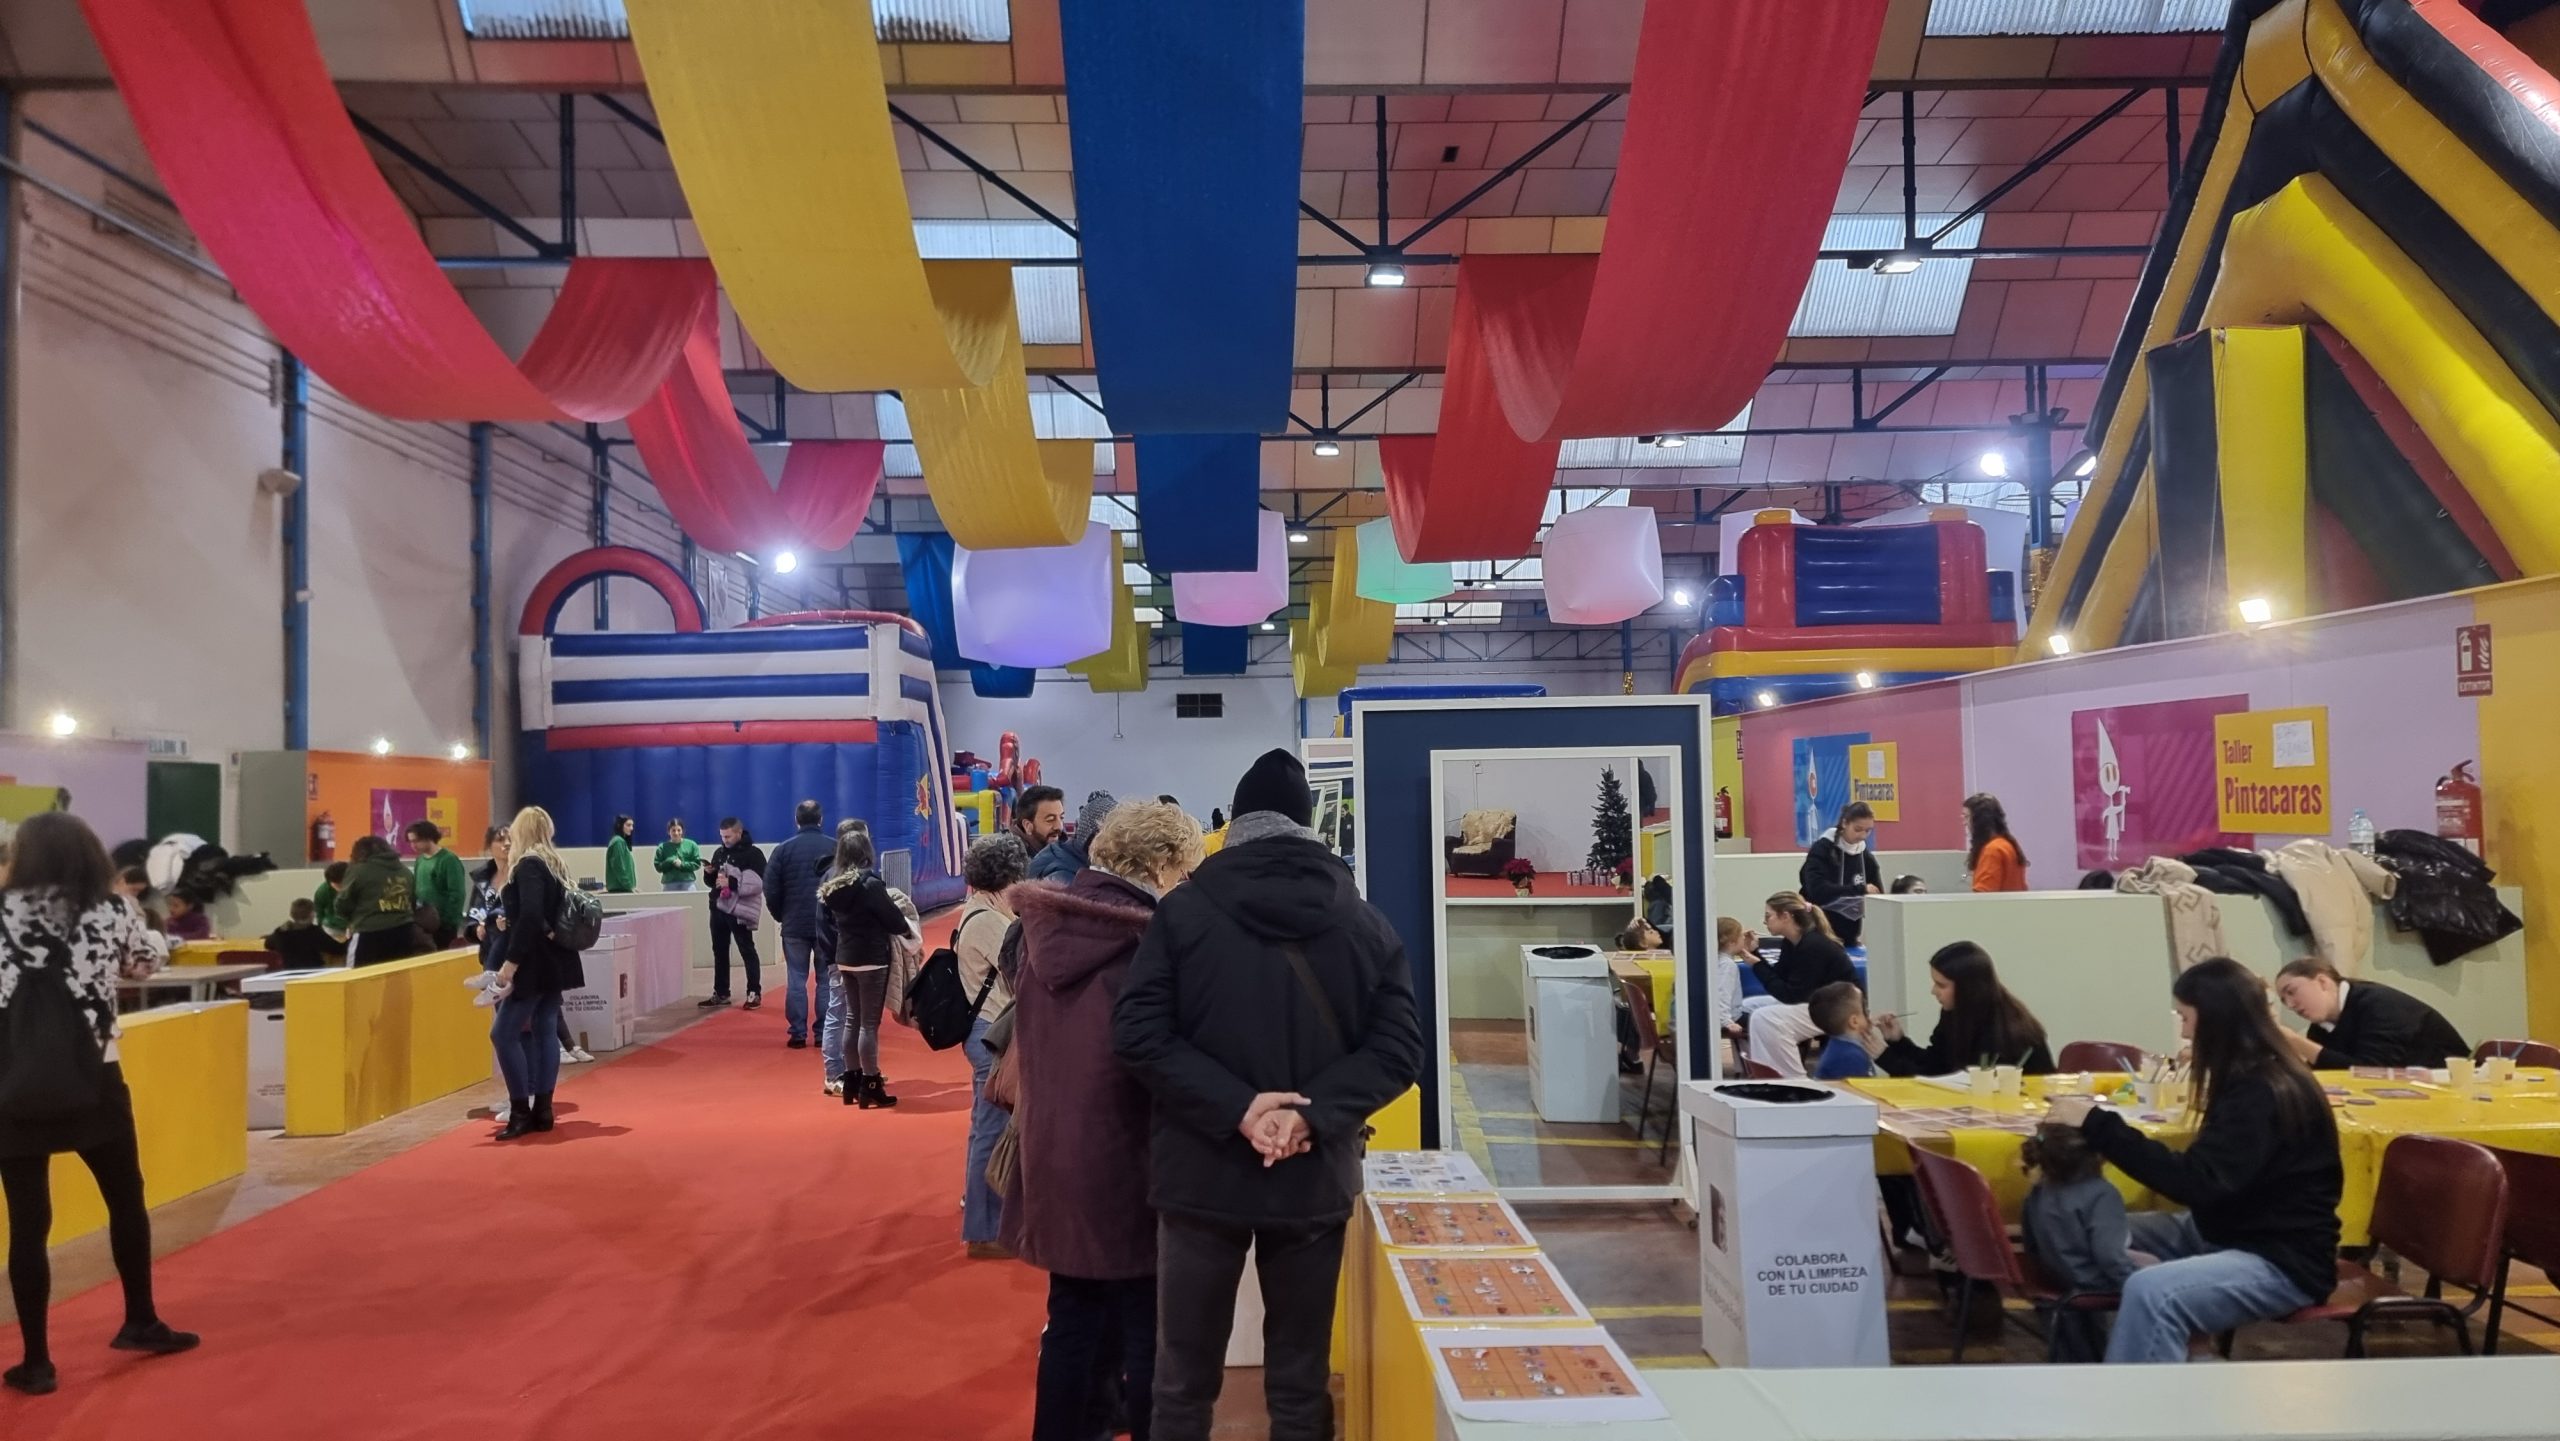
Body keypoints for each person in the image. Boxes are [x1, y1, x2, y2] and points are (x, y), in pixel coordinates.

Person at [1115, 752, 1422, 1441]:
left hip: (1199, 1172)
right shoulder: (1366, 924)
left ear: (1236, 822)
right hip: (1312, 1178)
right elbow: (1399, 1051)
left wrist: (1239, 1107)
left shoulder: (1182, 914)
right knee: (1300, 1383)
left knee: (1182, 1384)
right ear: (1309, 825)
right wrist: (1307, 1115)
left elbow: (1137, 1033)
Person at [1008, 800, 1203, 1441]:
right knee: (1148, 1325)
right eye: (1182, 870)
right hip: (1127, 1149)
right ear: (1159, 863)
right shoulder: (1148, 940)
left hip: (1052, 1145)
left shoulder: (1046, 927)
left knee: (1073, 1316)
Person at [2048, 957, 2343, 1363]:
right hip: (2222, 1230)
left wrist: (2097, 1124)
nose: (2184, 1033)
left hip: (2281, 1259)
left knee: (2152, 1293)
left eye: (2186, 1019)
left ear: (2216, 1020)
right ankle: (2168, 1357)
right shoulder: (2247, 1076)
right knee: (2077, 1226)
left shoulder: (2264, 1090)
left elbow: (2197, 1182)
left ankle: (2145, 1391)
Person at [0, 811, 198, 1395]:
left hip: (10, 1081)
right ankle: (140, 1319)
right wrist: (150, 936)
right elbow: (144, 964)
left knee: (28, 1223)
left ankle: (37, 1361)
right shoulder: (112, 908)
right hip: (96, 1075)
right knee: (125, 1199)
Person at [489, 807, 586, 1141]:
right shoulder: (555, 865)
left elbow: (530, 915)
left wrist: (511, 963)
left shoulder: (529, 864)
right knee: (545, 1031)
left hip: (533, 962)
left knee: (504, 1034)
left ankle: (520, 1111)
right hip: (556, 959)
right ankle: (542, 1110)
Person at [955, 833, 1027, 1257]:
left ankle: (983, 1214)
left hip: (985, 1032)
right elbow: (1022, 969)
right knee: (991, 1130)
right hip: (990, 1035)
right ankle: (984, 1230)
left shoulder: (981, 910)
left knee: (984, 1128)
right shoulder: (988, 921)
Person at [2019, 1121, 2142, 1361]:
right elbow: (2110, 1257)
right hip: (2093, 1282)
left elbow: (2030, 1243)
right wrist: (2140, 1284)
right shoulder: (2102, 1194)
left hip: (2058, 1278)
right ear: (2100, 1155)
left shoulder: (2039, 1190)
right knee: (2162, 1271)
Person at [817, 821, 916, 1109]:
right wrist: (907, 928)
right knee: (869, 1025)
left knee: (852, 1019)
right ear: (866, 851)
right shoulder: (870, 884)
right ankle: (871, 1083)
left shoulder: (833, 886)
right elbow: (893, 920)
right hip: (871, 958)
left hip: (845, 958)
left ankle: (851, 1079)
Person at [1872, 941, 2056, 1076]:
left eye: (1941, 985)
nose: (1933, 991)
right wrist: (1898, 1041)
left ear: (1967, 988)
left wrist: (1885, 1057)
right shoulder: (1954, 1013)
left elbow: (1947, 1082)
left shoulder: (2004, 1031)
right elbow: (1935, 1064)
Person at [2272, 957, 2469, 1070]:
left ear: (2323, 982)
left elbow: (2373, 1072)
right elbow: (2328, 1072)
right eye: (2284, 1000)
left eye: (2292, 992)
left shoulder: (2380, 1004)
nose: (2290, 1005)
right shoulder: (2321, 1027)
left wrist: (2294, 1040)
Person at [1741, 893, 1857, 1078]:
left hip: (1840, 1009)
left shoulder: (1813, 946)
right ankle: (1764, 1072)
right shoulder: (1792, 942)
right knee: (1746, 1007)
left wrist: (1757, 966)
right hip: (1817, 1002)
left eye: (1768, 916)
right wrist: (1756, 954)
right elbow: (1780, 978)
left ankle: (1793, 1078)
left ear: (1786, 916)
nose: (1764, 922)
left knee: (1765, 1018)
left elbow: (1791, 995)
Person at [765, 800, 834, 1051]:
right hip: (827, 924)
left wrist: (781, 915)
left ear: (797, 820)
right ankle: (823, 1032)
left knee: (796, 978)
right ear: (820, 819)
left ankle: (797, 1032)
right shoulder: (835, 847)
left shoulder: (783, 850)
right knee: (826, 980)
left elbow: (770, 888)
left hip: (794, 924)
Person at [698, 819, 765, 1009]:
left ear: (739, 833)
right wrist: (709, 873)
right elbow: (712, 883)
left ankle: (754, 992)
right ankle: (721, 992)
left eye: (728, 836)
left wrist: (732, 883)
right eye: (722, 836)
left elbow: (758, 882)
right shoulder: (719, 853)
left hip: (739, 908)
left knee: (746, 949)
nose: (724, 840)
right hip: (718, 907)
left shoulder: (754, 854)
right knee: (719, 950)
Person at [339, 835, 425, 967]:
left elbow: (343, 903)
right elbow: (412, 901)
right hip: (404, 931)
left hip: (369, 932)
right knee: (398, 973)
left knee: (360, 975)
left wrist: (350, 920)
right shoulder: (405, 871)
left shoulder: (358, 870)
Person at [1799, 801, 1883, 904]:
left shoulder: (1866, 857)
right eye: (1857, 829)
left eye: (1868, 830)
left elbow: (1878, 894)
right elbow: (1817, 890)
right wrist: (1861, 890)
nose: (1863, 836)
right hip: (1820, 911)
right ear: (1844, 823)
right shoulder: (1822, 849)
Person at [1028, 790, 1118, 885]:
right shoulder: (1065, 878)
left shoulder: (1073, 859)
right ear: (1094, 838)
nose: (1121, 845)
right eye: (1115, 837)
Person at [406, 820, 467, 949]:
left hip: (444, 923)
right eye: (410, 842)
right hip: (424, 922)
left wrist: (448, 920)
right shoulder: (420, 860)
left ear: (428, 837)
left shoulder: (448, 860)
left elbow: (457, 893)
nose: (413, 845)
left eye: (416, 841)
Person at [1807, 981, 1876, 1080]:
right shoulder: (1850, 1058)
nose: (1869, 1011)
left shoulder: (1840, 1047)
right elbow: (1861, 1089)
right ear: (1854, 1022)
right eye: (1864, 1006)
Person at [1964, 792, 2029, 892]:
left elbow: (1984, 895)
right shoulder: (2007, 844)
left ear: (1979, 821)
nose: (1965, 823)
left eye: (1967, 817)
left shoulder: (1992, 850)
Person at [263, 898, 333, 972]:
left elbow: (267, 944)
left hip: (288, 973)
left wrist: (278, 930)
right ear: (312, 914)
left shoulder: (281, 933)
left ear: (291, 914)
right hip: (314, 972)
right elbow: (335, 948)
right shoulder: (315, 932)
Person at [1012, 783, 1067, 859]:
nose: (1059, 826)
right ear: (1027, 826)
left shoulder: (1068, 851)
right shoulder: (1008, 860)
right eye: (1050, 820)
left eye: (1061, 817)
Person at [313, 861, 351, 957]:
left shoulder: (357, 886)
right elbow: (319, 913)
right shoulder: (322, 891)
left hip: (354, 925)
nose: (342, 888)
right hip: (333, 927)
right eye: (338, 885)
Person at [654, 818, 701, 891]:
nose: (676, 833)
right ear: (668, 832)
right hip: (669, 883)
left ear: (682, 831)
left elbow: (697, 864)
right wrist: (670, 861)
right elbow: (658, 867)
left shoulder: (692, 845)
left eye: (679, 830)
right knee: (669, 899)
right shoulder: (662, 848)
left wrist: (682, 865)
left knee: (690, 899)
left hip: (688, 882)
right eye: (673, 830)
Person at [603, 815, 638, 894]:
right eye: (628, 825)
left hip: (623, 888)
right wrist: (629, 886)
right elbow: (618, 867)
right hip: (620, 889)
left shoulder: (620, 842)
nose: (631, 828)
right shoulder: (618, 842)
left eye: (632, 825)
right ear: (619, 825)